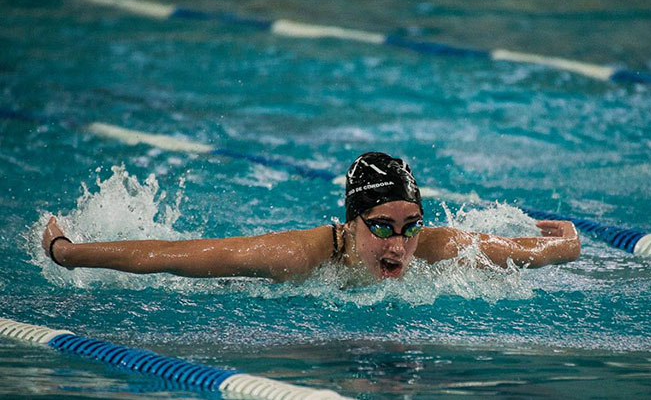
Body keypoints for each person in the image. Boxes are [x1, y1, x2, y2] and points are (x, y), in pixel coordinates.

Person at [43, 152, 581, 282]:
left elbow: (535, 251)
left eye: (411, 225)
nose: (400, 245)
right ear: (351, 222)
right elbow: (171, 256)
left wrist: (567, 244)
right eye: (382, 227)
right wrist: (66, 254)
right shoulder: (297, 256)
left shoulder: (438, 247)